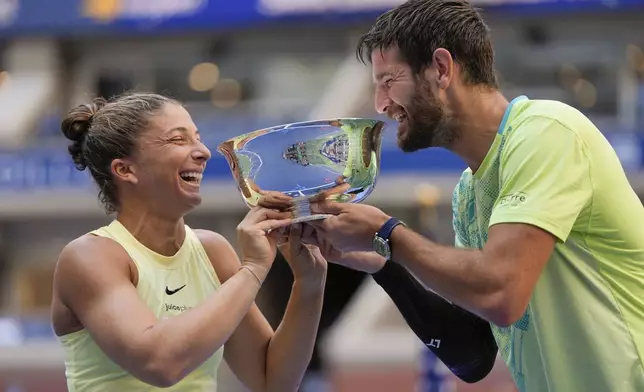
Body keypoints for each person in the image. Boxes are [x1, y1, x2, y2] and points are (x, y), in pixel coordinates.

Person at [299, 1, 644, 391]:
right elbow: (473, 355)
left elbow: (500, 292)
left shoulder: (546, 133)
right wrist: (384, 266)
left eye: (388, 81)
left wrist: (388, 233)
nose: (380, 104)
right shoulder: (469, 192)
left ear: (441, 69)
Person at [50, 92, 328, 392]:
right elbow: (159, 364)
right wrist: (253, 268)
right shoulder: (90, 256)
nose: (203, 152)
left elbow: (272, 381)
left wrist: (309, 281)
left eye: (197, 138)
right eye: (177, 140)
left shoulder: (212, 251)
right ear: (125, 170)